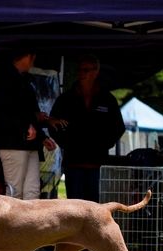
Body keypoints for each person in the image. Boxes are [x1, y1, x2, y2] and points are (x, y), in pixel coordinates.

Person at [50, 54, 125, 202]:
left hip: (98, 163)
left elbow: (118, 127)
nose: (81, 73)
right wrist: (68, 144)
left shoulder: (107, 99)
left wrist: (103, 144)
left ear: (96, 72)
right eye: (79, 70)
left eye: (86, 70)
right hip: (73, 162)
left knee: (95, 206)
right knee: (75, 206)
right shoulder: (66, 99)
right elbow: (53, 124)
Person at [0, 47, 57, 200]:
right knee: (14, 191)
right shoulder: (5, 80)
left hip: (29, 144)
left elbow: (30, 112)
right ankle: (11, 218)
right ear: (26, 57)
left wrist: (41, 137)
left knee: (32, 191)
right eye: (32, 57)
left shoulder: (24, 80)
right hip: (11, 143)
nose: (33, 62)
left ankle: (30, 218)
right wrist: (26, 125)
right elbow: (2, 112)